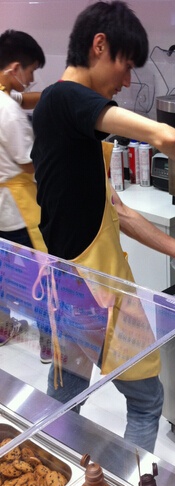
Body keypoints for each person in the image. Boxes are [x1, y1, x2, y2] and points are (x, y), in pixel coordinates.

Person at [31, 0, 175, 453]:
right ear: (99, 45)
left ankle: (52, 469)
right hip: (95, 290)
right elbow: (166, 136)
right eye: (126, 66)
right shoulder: (66, 99)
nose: (127, 82)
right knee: (146, 402)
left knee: (67, 393)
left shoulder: (64, 118)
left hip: (73, 288)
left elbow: (117, 212)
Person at [0, 29, 52, 362]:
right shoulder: (8, 111)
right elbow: (30, 162)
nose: (31, 80)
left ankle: (3, 328)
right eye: (31, 71)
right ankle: (49, 341)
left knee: (2, 271)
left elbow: (26, 98)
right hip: (17, 207)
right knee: (41, 274)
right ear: (15, 68)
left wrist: (58, 94)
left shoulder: (5, 97)